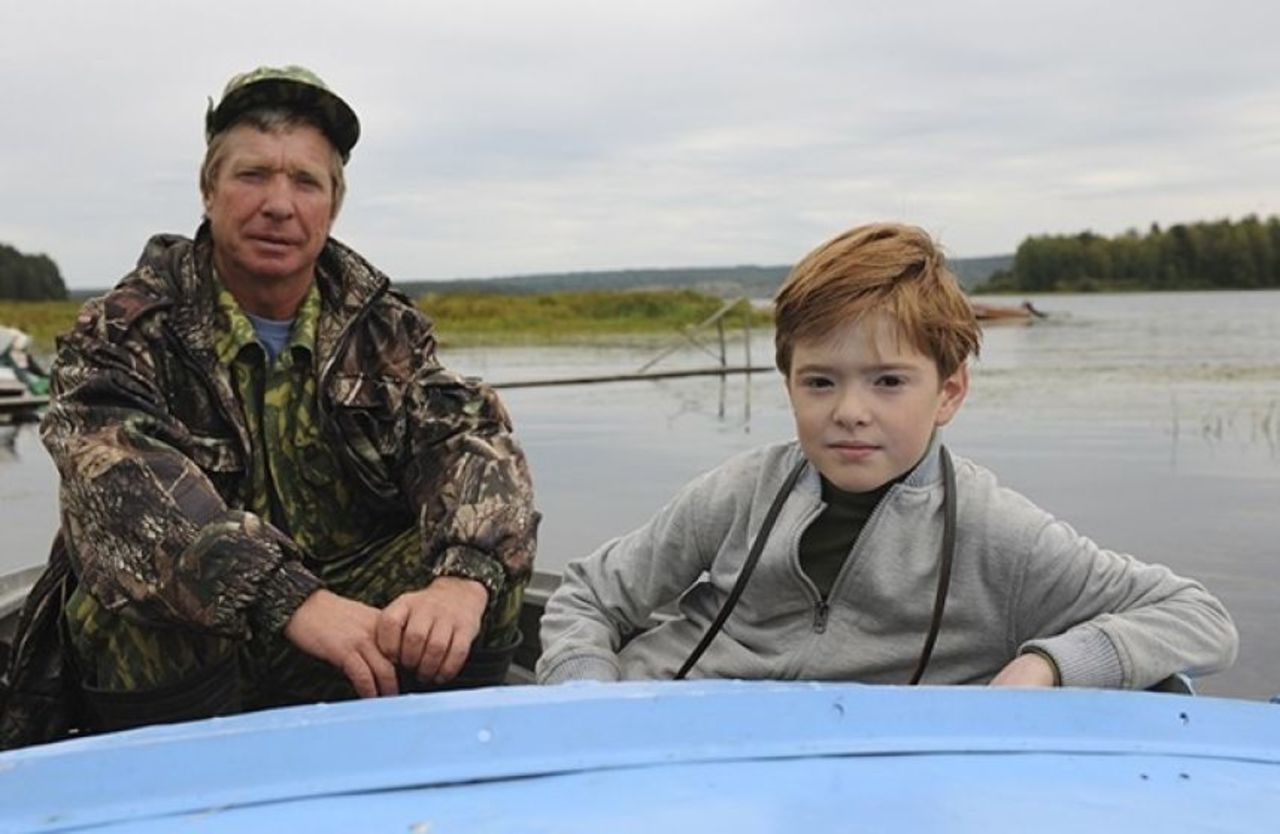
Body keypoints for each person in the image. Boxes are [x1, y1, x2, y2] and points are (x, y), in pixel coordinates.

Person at [0, 65, 538, 747]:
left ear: (331, 207)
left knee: (482, 574)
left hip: (353, 633)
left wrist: (461, 581)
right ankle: (186, 788)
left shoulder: (386, 330)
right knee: (129, 596)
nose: (279, 204)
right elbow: (119, 486)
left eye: (305, 181)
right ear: (209, 191)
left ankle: (444, 766)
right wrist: (293, 600)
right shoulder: (122, 332)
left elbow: (470, 442)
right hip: (207, 646)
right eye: (253, 175)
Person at [536, 222, 1237, 688]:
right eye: (820, 382)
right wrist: (586, 696)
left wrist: (1047, 665)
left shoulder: (996, 534)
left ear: (949, 391)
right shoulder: (739, 491)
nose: (849, 410)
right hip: (665, 746)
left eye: (889, 382)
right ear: (789, 384)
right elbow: (590, 596)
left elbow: (1197, 616)